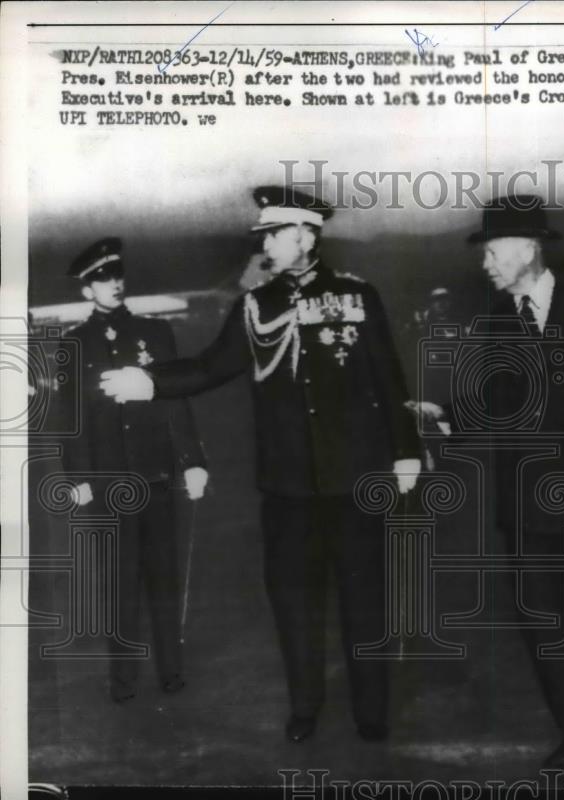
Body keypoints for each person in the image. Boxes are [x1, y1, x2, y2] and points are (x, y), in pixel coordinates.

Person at [98, 187, 422, 742]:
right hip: (288, 487)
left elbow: (388, 380)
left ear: (304, 233)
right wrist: (149, 383)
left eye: (274, 233)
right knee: (294, 604)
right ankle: (305, 707)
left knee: (365, 601)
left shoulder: (358, 296)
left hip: (357, 481)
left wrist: (407, 449)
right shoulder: (256, 305)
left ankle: (371, 713)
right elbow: (208, 367)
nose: (266, 243)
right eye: (265, 235)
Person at [436, 194, 564, 771]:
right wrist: (446, 415)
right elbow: (496, 397)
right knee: (543, 619)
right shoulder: (501, 319)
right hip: (524, 499)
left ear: (530, 249)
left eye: (494, 252)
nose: (486, 264)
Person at [58, 237, 208, 703]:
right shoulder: (73, 344)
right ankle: (123, 680)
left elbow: (176, 402)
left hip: (156, 476)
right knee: (119, 585)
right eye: (104, 279)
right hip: (106, 482)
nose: (115, 284)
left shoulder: (156, 334)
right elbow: (71, 418)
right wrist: (78, 478)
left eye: (118, 275)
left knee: (164, 580)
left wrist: (193, 461)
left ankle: (171, 673)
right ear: (87, 290)